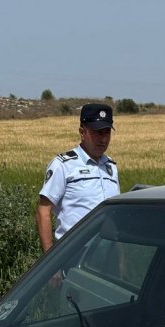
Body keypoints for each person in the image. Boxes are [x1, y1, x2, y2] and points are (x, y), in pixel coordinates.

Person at [36, 103, 120, 251]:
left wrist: (121, 260)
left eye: (107, 132)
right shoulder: (63, 165)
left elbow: (114, 220)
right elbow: (43, 210)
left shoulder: (110, 166)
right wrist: (50, 259)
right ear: (82, 132)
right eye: (97, 132)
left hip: (107, 255)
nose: (103, 139)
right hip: (74, 254)